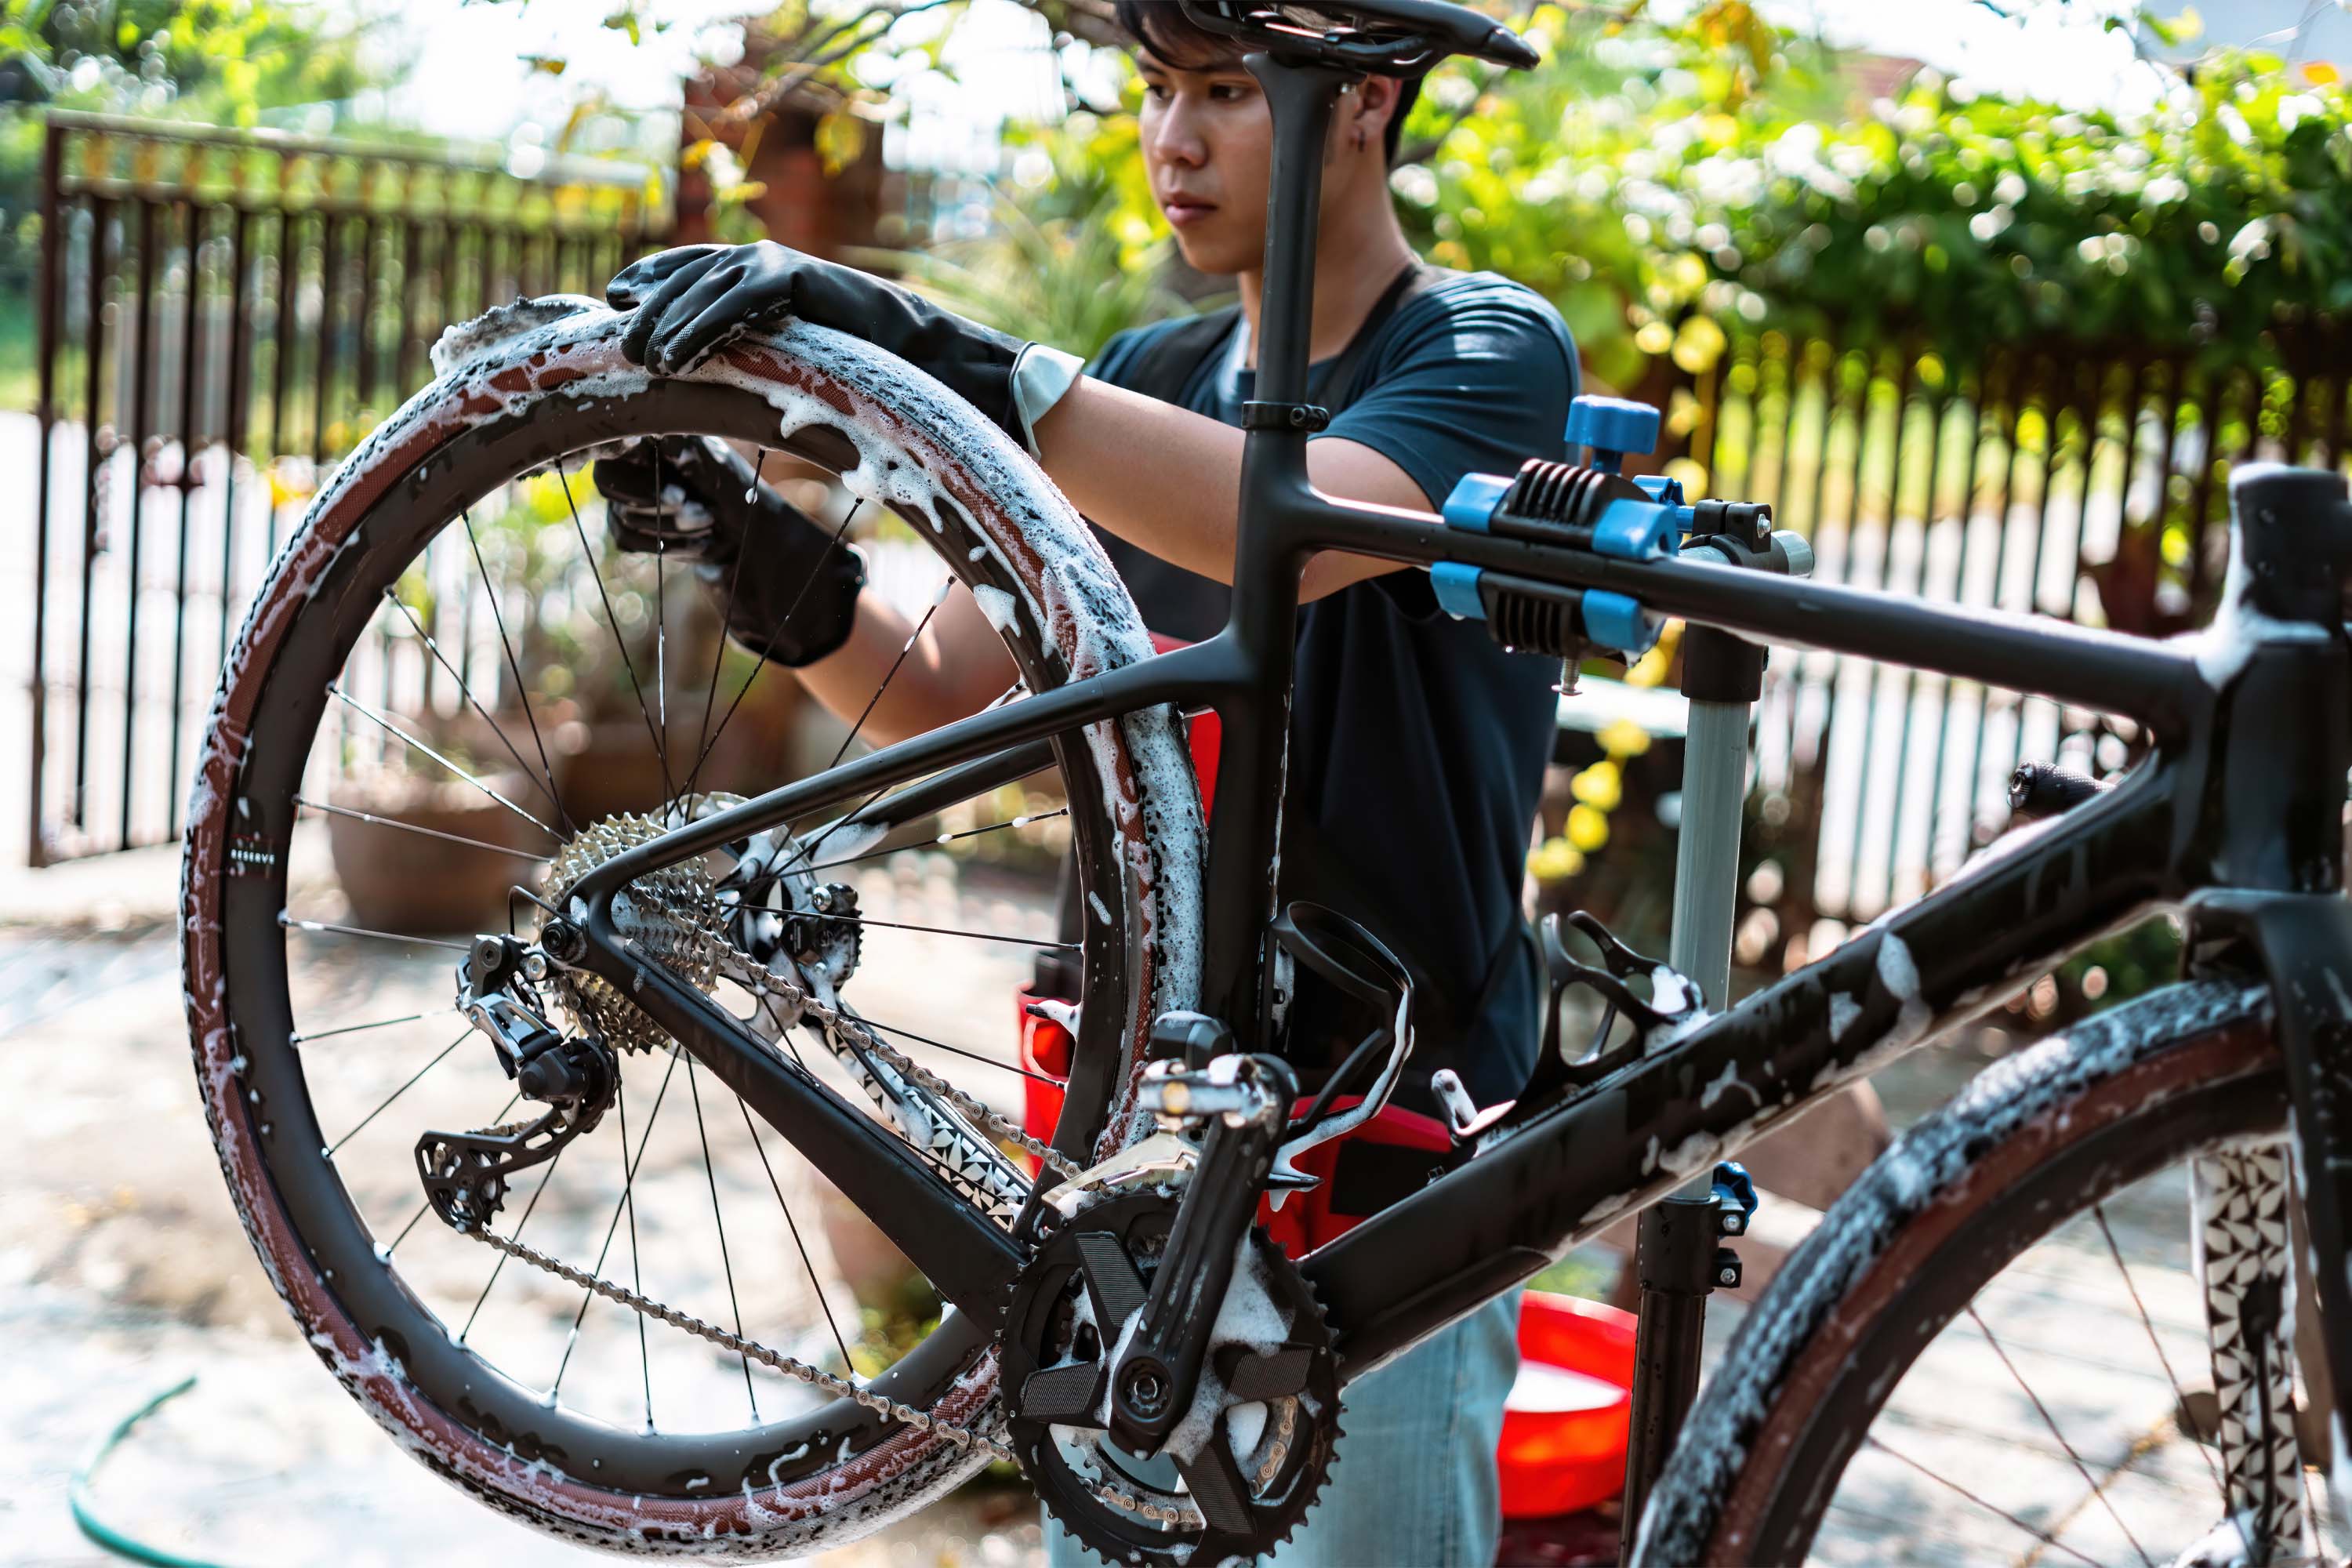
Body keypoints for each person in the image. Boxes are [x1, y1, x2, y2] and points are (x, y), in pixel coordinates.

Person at [593, 5, 1580, 1561]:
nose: (1172, 140)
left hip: (1383, 1163)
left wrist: (940, 355)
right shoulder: (1147, 376)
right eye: (1155, 91)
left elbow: (1298, 527)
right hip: (1133, 1159)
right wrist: (771, 569)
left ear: (1369, 100)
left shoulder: (1479, 349)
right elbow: (951, 687)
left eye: (1226, 94)